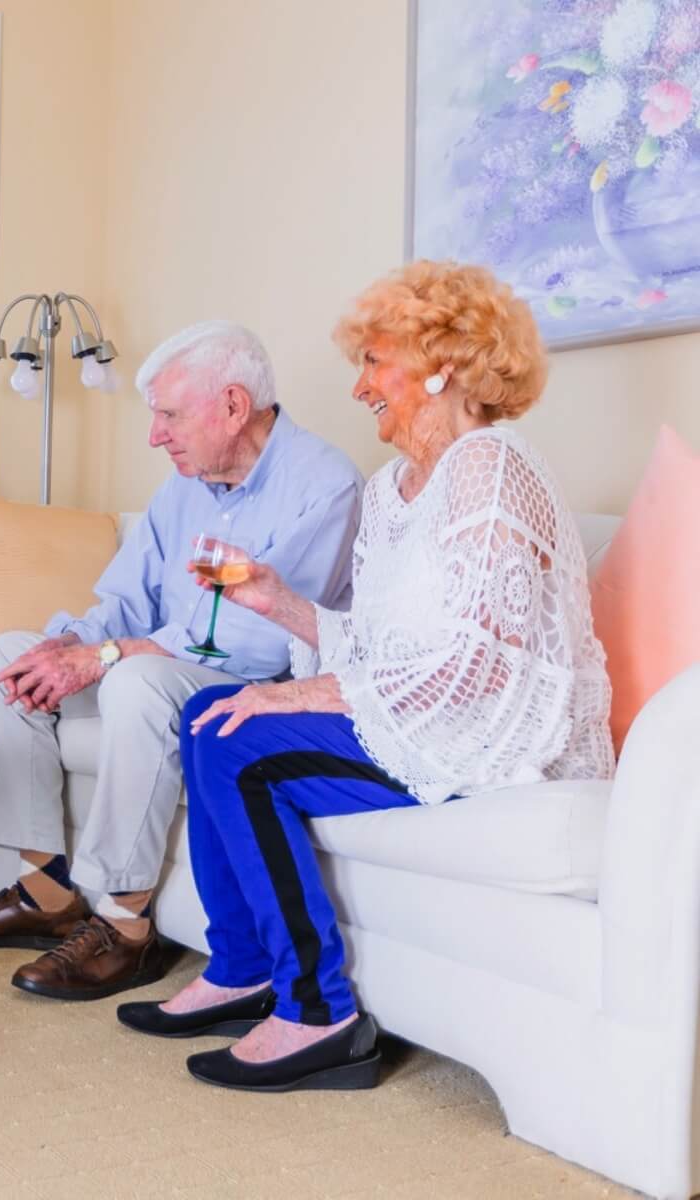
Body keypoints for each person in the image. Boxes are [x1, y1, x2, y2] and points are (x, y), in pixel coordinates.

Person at [120, 261, 613, 1091]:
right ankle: (242, 965)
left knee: (240, 740)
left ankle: (319, 1013)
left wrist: (299, 693)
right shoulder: (391, 492)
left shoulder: (492, 468)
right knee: (210, 709)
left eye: (375, 361)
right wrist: (278, 603)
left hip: (488, 738)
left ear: (441, 362)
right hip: (416, 715)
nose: (359, 388)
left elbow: (476, 663)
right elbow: (379, 645)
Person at [0, 321, 364, 1001]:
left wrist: (108, 656)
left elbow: (265, 642)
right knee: (9, 654)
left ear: (232, 406)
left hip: (261, 685)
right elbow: (126, 602)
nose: (155, 435)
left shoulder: (325, 483)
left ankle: (126, 927)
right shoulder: (183, 487)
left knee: (138, 680)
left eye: (168, 415)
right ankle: (45, 890)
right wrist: (67, 646)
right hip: (163, 662)